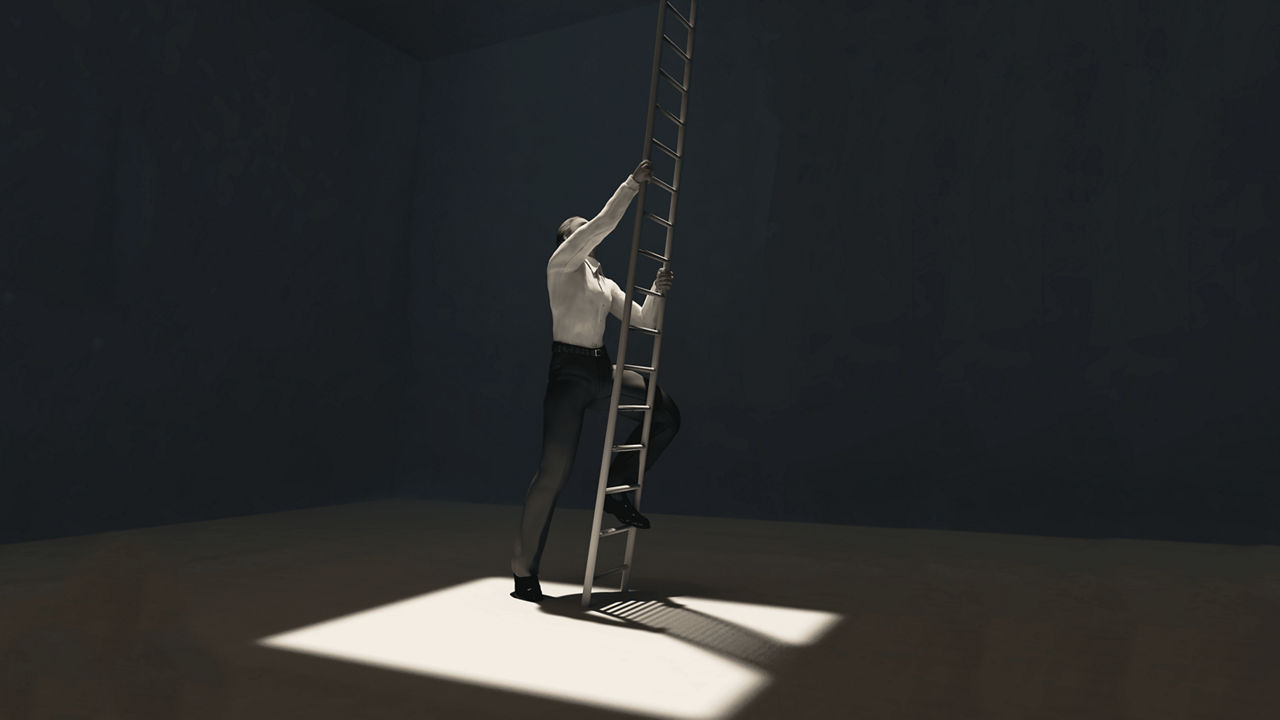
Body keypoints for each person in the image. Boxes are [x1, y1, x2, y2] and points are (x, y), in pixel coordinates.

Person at [511, 159, 681, 602]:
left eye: (585, 229)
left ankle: (617, 491)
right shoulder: (560, 265)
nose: (585, 231)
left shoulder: (601, 283)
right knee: (552, 474)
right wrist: (630, 185)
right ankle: (523, 571)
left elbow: (642, 319)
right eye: (577, 229)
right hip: (567, 374)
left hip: (598, 368)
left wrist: (658, 290)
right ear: (567, 240)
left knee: (664, 413)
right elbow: (602, 225)